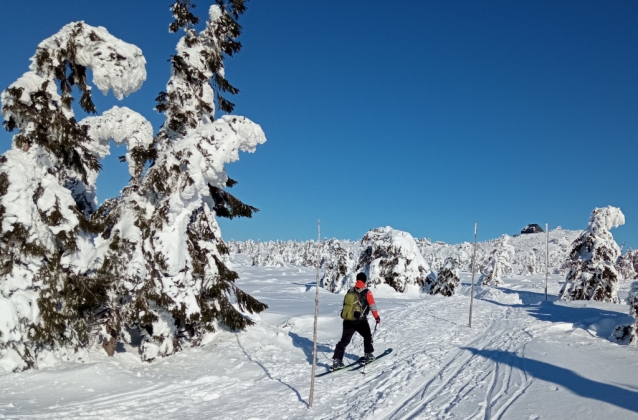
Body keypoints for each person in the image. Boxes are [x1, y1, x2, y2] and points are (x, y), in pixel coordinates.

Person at [332, 272, 380, 370]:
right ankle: (368, 355)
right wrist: (377, 317)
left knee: (344, 341)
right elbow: (372, 306)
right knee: (367, 336)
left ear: (357, 279)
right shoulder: (367, 292)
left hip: (348, 320)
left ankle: (337, 360)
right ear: (364, 280)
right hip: (360, 320)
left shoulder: (350, 291)